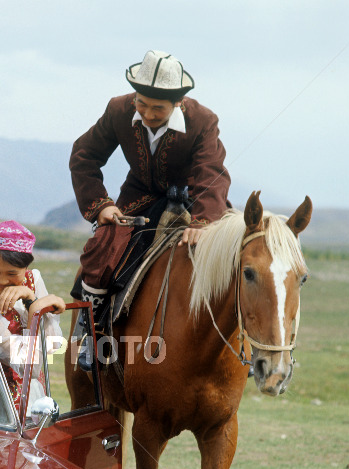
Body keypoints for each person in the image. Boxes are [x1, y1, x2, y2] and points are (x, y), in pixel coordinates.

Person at [70, 49, 231, 317]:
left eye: (159, 108)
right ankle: (91, 329)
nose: (148, 113)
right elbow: (83, 155)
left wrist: (202, 224)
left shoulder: (203, 121)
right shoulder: (118, 110)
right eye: (142, 104)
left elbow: (211, 173)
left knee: (238, 255)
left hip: (197, 201)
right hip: (139, 197)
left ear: (179, 102)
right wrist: (101, 206)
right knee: (103, 249)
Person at [0, 220, 66, 412]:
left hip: (35, 395)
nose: (3, 281)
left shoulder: (33, 279)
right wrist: (35, 311)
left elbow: (53, 343)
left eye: (12, 273)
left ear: (26, 268)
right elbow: (31, 369)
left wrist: (32, 299)